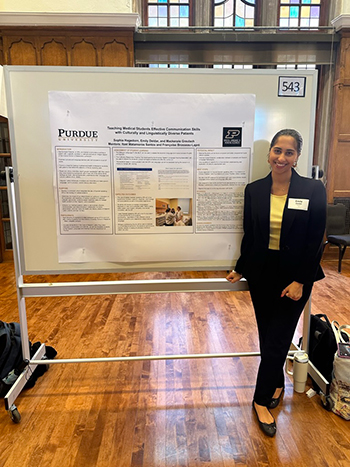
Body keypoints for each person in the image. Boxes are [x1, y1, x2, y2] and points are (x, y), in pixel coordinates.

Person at [226, 129, 326, 437]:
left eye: (289, 152)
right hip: (261, 274)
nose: (281, 158)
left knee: (278, 340)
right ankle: (277, 383)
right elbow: (251, 234)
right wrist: (241, 267)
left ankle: (259, 401)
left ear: (297, 157)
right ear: (269, 153)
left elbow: (316, 240)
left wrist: (300, 280)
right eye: (277, 151)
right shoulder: (254, 190)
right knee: (269, 336)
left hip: (295, 277)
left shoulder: (313, 189)